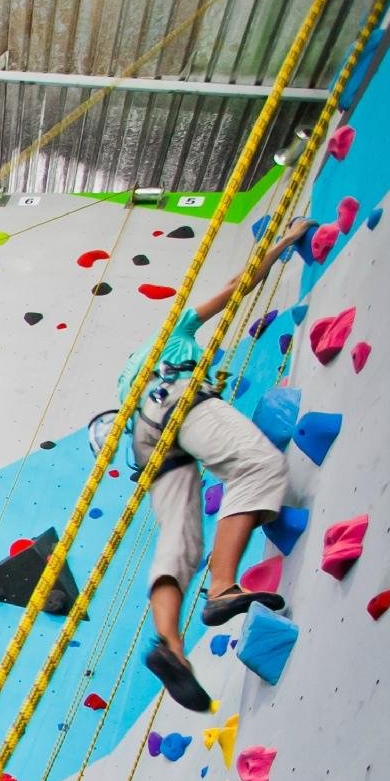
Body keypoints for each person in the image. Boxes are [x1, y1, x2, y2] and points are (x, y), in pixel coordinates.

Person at [120, 216, 312, 713]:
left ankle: (170, 645)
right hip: (175, 396)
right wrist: (285, 242)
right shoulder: (175, 335)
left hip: (143, 437)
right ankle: (223, 586)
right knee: (258, 467)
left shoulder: (127, 379)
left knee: (178, 542)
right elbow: (236, 285)